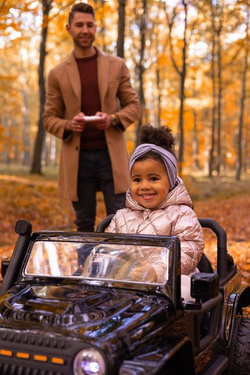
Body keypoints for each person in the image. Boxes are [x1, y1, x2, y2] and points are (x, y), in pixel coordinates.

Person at [43, 3, 140, 232]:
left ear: (95, 28)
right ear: (69, 28)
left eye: (89, 25)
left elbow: (134, 106)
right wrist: (68, 124)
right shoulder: (57, 73)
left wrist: (113, 119)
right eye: (79, 25)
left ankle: (117, 268)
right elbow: (49, 118)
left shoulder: (116, 66)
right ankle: (85, 267)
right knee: (84, 222)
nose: (85, 30)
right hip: (78, 160)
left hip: (111, 156)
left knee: (119, 220)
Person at [106, 124, 204, 300]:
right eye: (137, 179)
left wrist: (157, 272)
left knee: (185, 291)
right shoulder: (121, 217)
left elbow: (189, 251)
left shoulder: (182, 214)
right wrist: (99, 264)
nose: (145, 186)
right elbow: (109, 248)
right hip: (127, 280)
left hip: (169, 281)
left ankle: (187, 326)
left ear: (171, 180)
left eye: (153, 178)